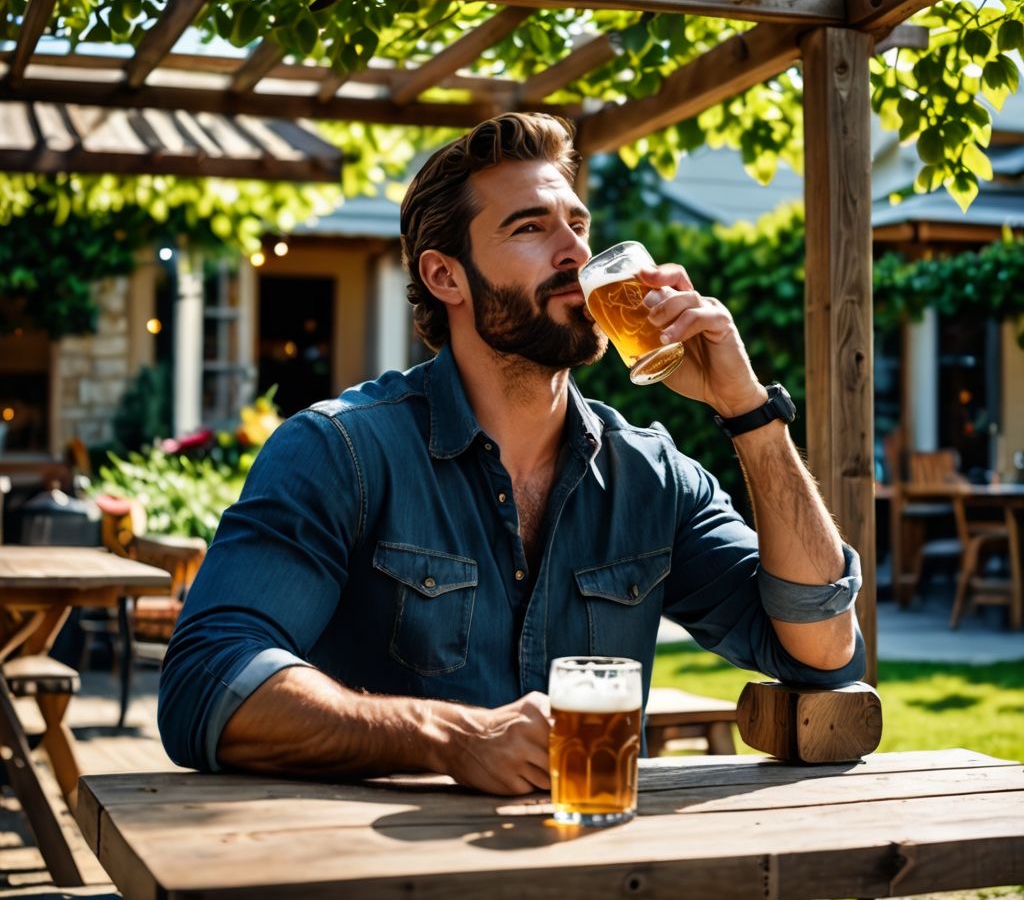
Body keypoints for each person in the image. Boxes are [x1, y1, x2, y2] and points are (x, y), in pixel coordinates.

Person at [158, 112, 863, 795]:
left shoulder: (651, 476)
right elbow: (208, 682)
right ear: (446, 277)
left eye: (578, 226)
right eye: (531, 227)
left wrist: (749, 413)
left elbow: (824, 649)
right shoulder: (340, 451)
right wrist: (449, 737)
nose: (577, 256)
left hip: (600, 876)